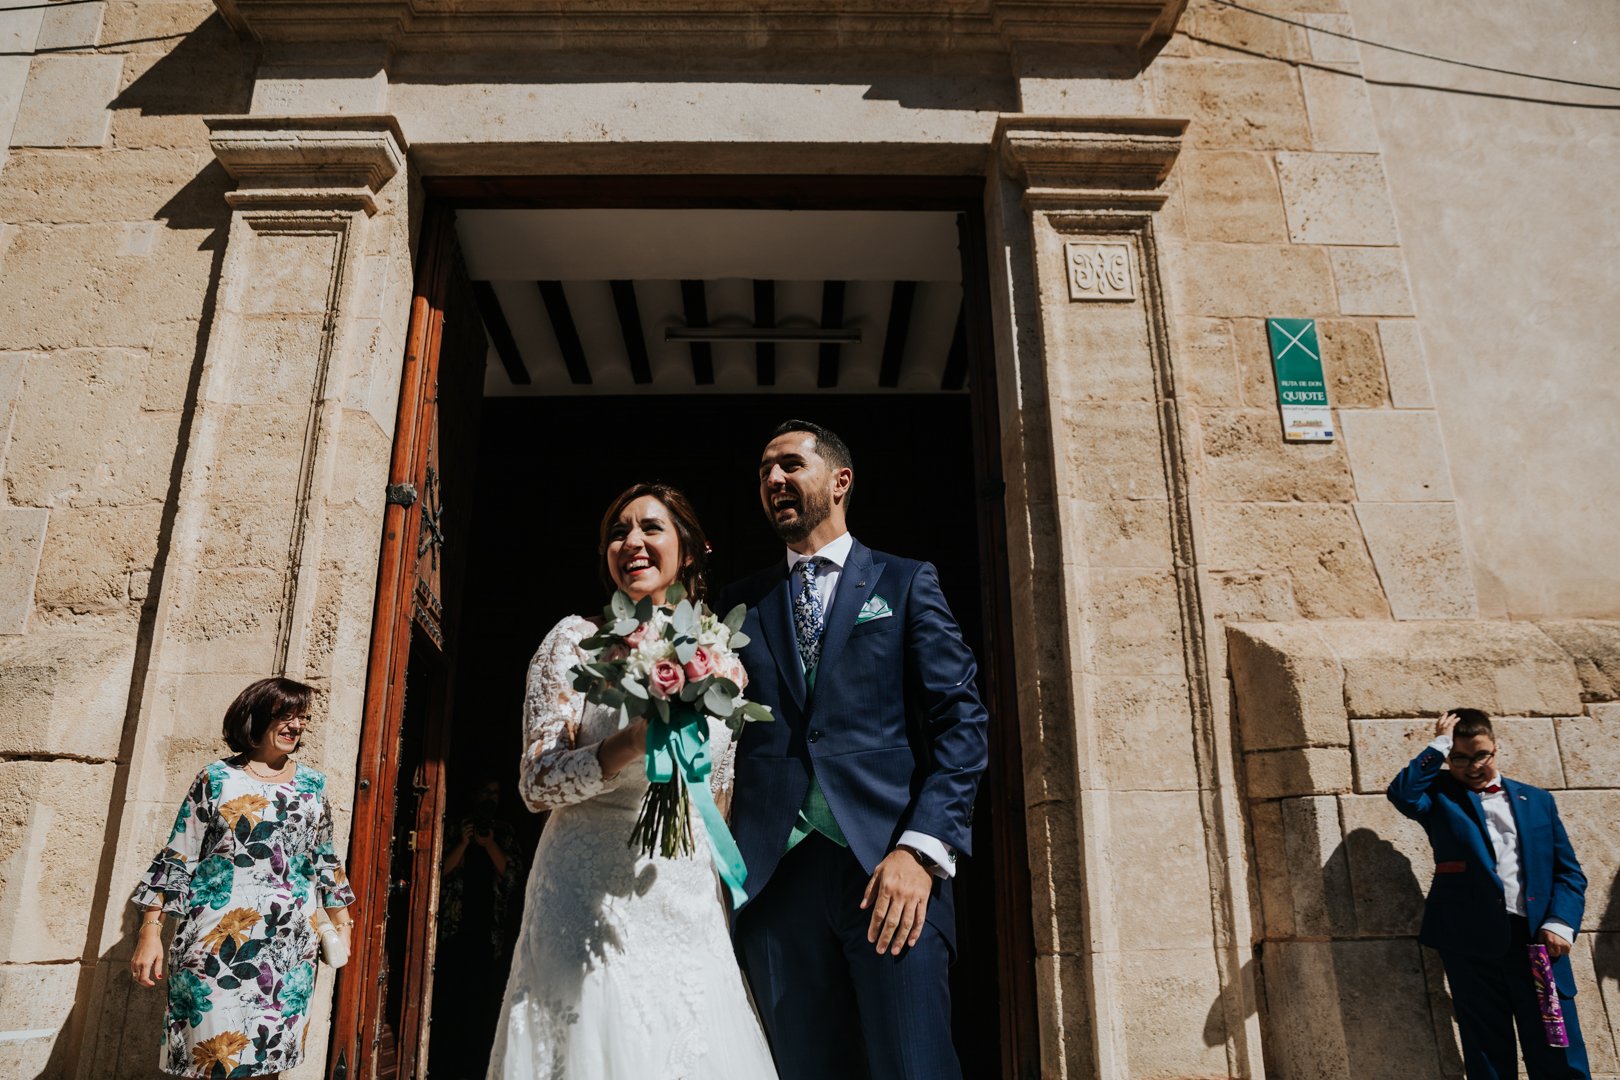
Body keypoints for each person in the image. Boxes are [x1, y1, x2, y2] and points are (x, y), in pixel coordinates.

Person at [720, 420, 990, 1080]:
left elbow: (962, 723)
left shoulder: (903, 583)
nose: (773, 480)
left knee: (912, 1066)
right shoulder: (736, 605)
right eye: (763, 472)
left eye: (789, 465)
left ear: (840, 481)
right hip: (774, 881)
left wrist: (922, 850)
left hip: (888, 871)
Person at [487, 482, 778, 1080]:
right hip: (586, 884)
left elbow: (717, 793)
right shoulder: (573, 641)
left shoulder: (721, 661)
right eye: (618, 532)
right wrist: (627, 743)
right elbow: (536, 783)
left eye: (651, 528)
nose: (632, 542)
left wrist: (718, 903)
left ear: (689, 551)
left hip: (684, 890)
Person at [130, 677, 356, 1078]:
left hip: (287, 948)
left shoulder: (312, 786)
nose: (296, 726)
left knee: (268, 1061)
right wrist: (151, 931)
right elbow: (179, 856)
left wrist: (342, 922)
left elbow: (325, 859)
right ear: (254, 718)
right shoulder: (215, 779)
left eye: (301, 718)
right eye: (284, 716)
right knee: (211, 1062)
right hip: (215, 944)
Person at [1387, 708, 1590, 1079]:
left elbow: (1569, 873)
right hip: (1471, 946)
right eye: (1459, 758)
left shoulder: (1537, 800)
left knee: (1558, 1049)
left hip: (1537, 944)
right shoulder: (1438, 796)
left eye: (1480, 755)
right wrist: (1438, 745)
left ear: (1495, 748)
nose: (1472, 766)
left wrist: (1561, 922)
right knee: (1488, 1055)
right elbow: (1402, 794)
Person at [431, 777, 525, 1078]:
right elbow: (436, 875)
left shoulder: (504, 832)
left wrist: (488, 844)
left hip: (488, 931)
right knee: (450, 999)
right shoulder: (455, 827)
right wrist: (464, 843)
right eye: (485, 790)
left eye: (495, 793)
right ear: (474, 793)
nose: (490, 798)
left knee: (481, 1002)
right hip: (453, 927)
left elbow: (512, 877)